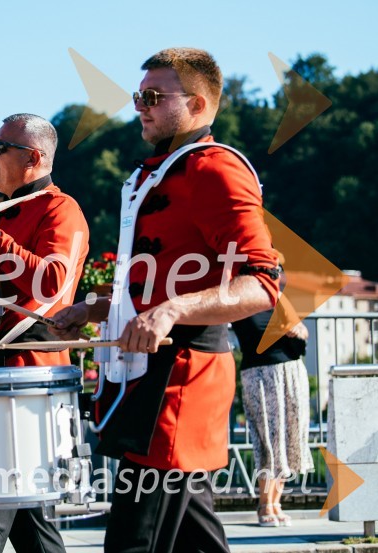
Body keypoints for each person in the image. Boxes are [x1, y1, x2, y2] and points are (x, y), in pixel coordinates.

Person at [51, 48, 281, 552]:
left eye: (153, 97)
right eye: (137, 97)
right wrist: (94, 308)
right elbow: (152, 283)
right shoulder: (154, 172)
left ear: (197, 104)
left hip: (181, 382)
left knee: (134, 540)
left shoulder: (216, 170)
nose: (140, 107)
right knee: (194, 536)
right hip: (148, 378)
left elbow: (262, 282)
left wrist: (173, 310)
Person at [0, 113, 90, 553]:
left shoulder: (61, 210)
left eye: (0, 148)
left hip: (26, 380)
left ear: (33, 158)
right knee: (33, 528)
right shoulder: (0, 211)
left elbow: (51, 282)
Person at [233, 305, 314, 527]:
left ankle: (276, 503)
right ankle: (264, 504)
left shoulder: (277, 298)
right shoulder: (240, 297)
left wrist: (296, 330)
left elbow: (303, 330)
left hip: (291, 369)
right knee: (268, 439)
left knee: (289, 438)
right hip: (259, 371)